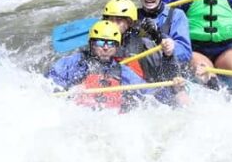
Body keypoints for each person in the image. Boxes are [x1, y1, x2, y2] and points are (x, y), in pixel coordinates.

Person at [47, 20, 186, 111]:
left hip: (109, 121)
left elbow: (151, 94)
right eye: (100, 42)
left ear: (117, 46)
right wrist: (70, 91)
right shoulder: (74, 62)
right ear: (91, 44)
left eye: (111, 43)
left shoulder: (122, 71)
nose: (105, 47)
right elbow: (47, 85)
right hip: (76, 115)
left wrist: (175, 89)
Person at [101, 0, 172, 82]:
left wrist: (161, 42)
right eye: (110, 20)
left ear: (130, 23)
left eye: (118, 20)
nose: (113, 24)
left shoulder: (144, 44)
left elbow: (164, 73)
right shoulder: (98, 44)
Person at [135, 0, 192, 70]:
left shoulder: (176, 15)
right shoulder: (133, 16)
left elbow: (186, 53)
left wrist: (170, 46)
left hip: (166, 69)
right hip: (140, 69)